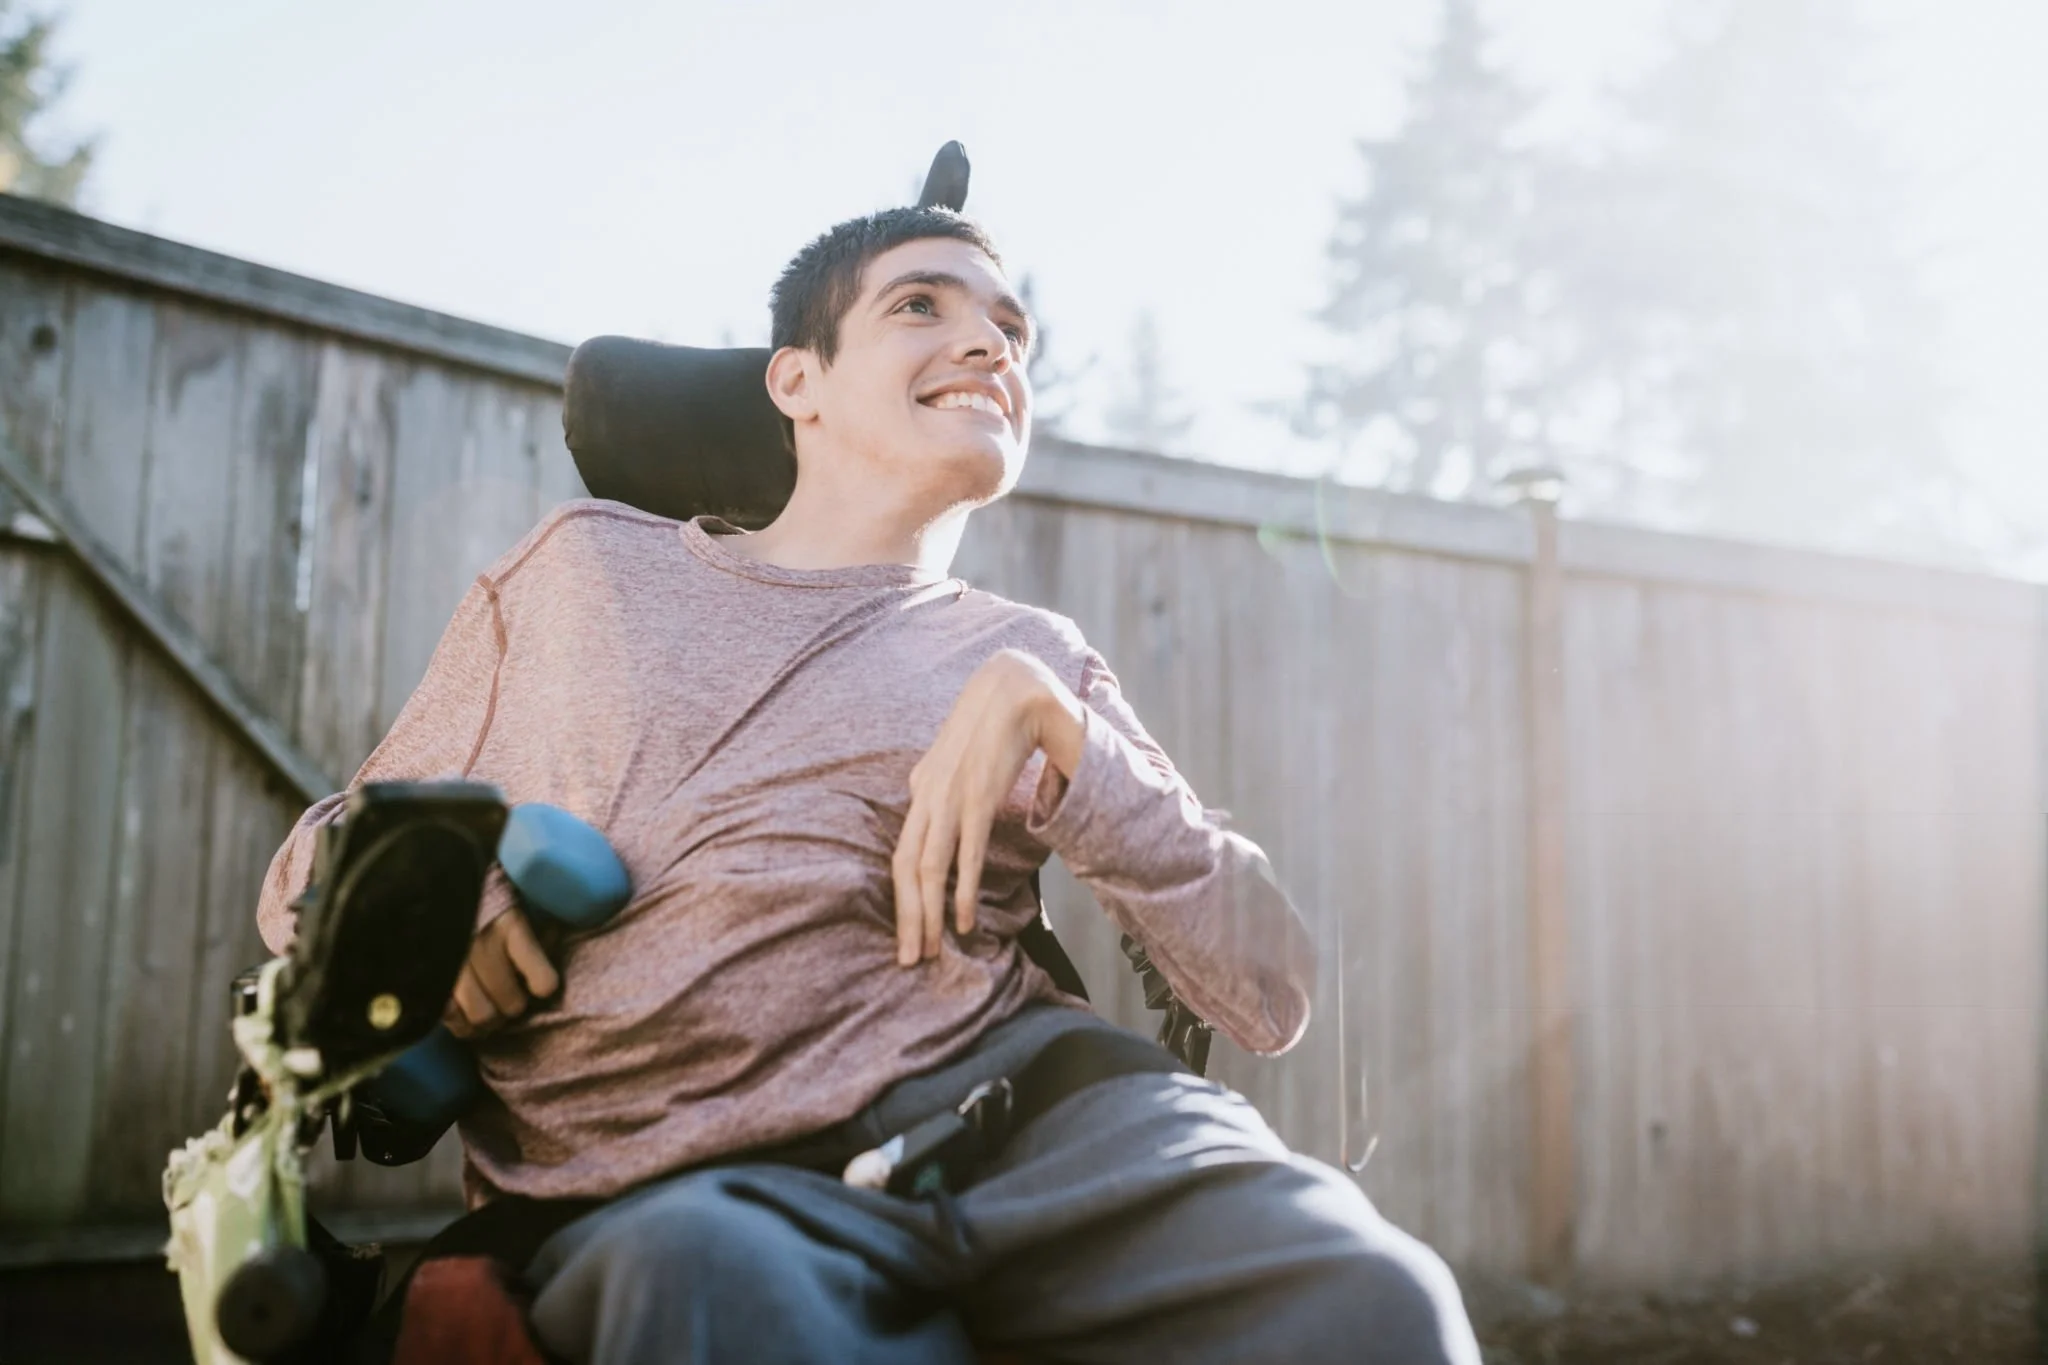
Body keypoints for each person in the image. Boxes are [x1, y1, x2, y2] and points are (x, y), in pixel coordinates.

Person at [257, 205, 1480, 1365]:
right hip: (689, 1182)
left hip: (1039, 1127)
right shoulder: (585, 577)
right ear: (796, 381)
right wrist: (432, 896)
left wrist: (1066, 741)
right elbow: (311, 865)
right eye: (919, 305)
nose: (987, 343)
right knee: (710, 1286)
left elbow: (1267, 986)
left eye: (1011, 328)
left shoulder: (1031, 654)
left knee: (1371, 1298)